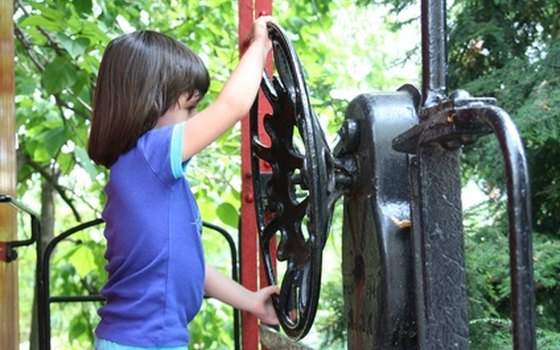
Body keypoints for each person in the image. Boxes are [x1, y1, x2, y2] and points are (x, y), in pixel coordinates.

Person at [87, 16, 279, 350]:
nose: (194, 120)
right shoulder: (150, 155)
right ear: (148, 102)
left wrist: (250, 301)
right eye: (190, 107)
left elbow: (188, 265)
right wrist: (260, 45)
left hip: (150, 340)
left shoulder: (150, 176)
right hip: (142, 343)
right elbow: (232, 107)